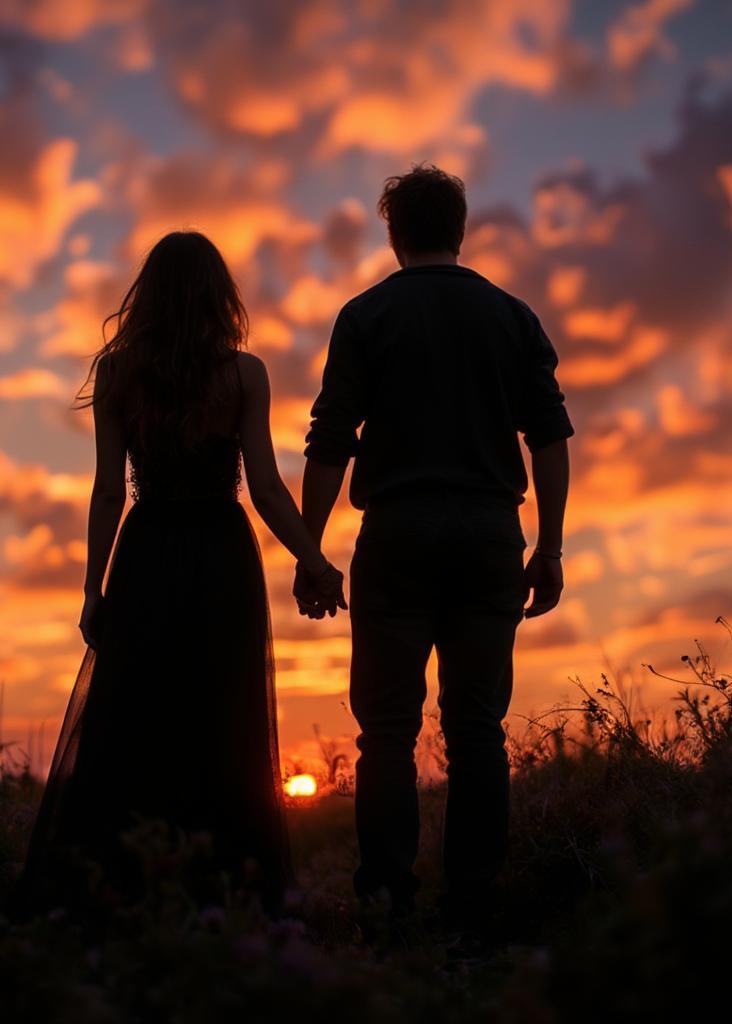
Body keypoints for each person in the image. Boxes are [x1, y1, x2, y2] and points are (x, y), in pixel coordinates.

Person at [13, 230, 346, 920]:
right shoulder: (244, 374)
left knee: (136, 720)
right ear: (218, 296)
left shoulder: (118, 374)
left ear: (149, 296)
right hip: (223, 557)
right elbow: (266, 488)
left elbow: (109, 491)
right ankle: (222, 897)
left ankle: (126, 890)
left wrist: (92, 587)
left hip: (145, 553)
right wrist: (312, 561)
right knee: (222, 720)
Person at [295, 163, 574, 942]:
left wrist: (311, 550)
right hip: (490, 533)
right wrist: (549, 546)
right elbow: (549, 438)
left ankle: (387, 909)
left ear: (394, 234)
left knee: (386, 731)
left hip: (398, 533)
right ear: (459, 229)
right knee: (477, 727)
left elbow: (330, 443)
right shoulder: (511, 317)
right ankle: (473, 910)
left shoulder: (365, 315)